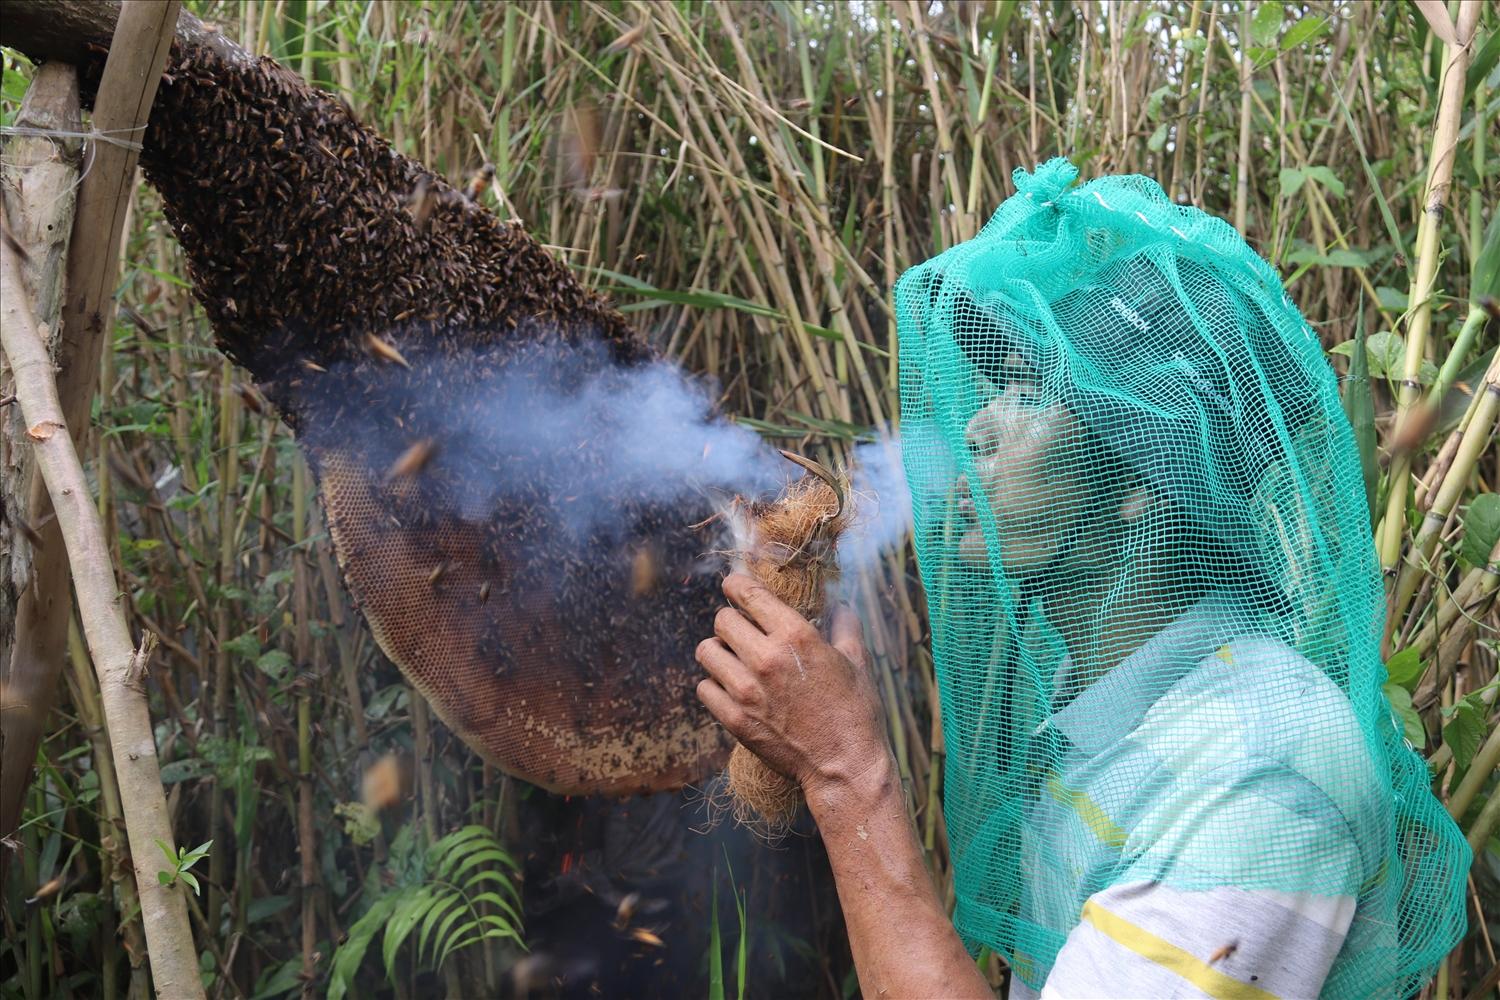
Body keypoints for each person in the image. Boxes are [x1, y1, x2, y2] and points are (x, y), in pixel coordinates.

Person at [695, 160, 1468, 998]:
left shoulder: (1256, 775)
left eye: (1032, 391)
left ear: (1144, 481)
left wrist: (849, 773)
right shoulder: (1104, 695)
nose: (981, 422)